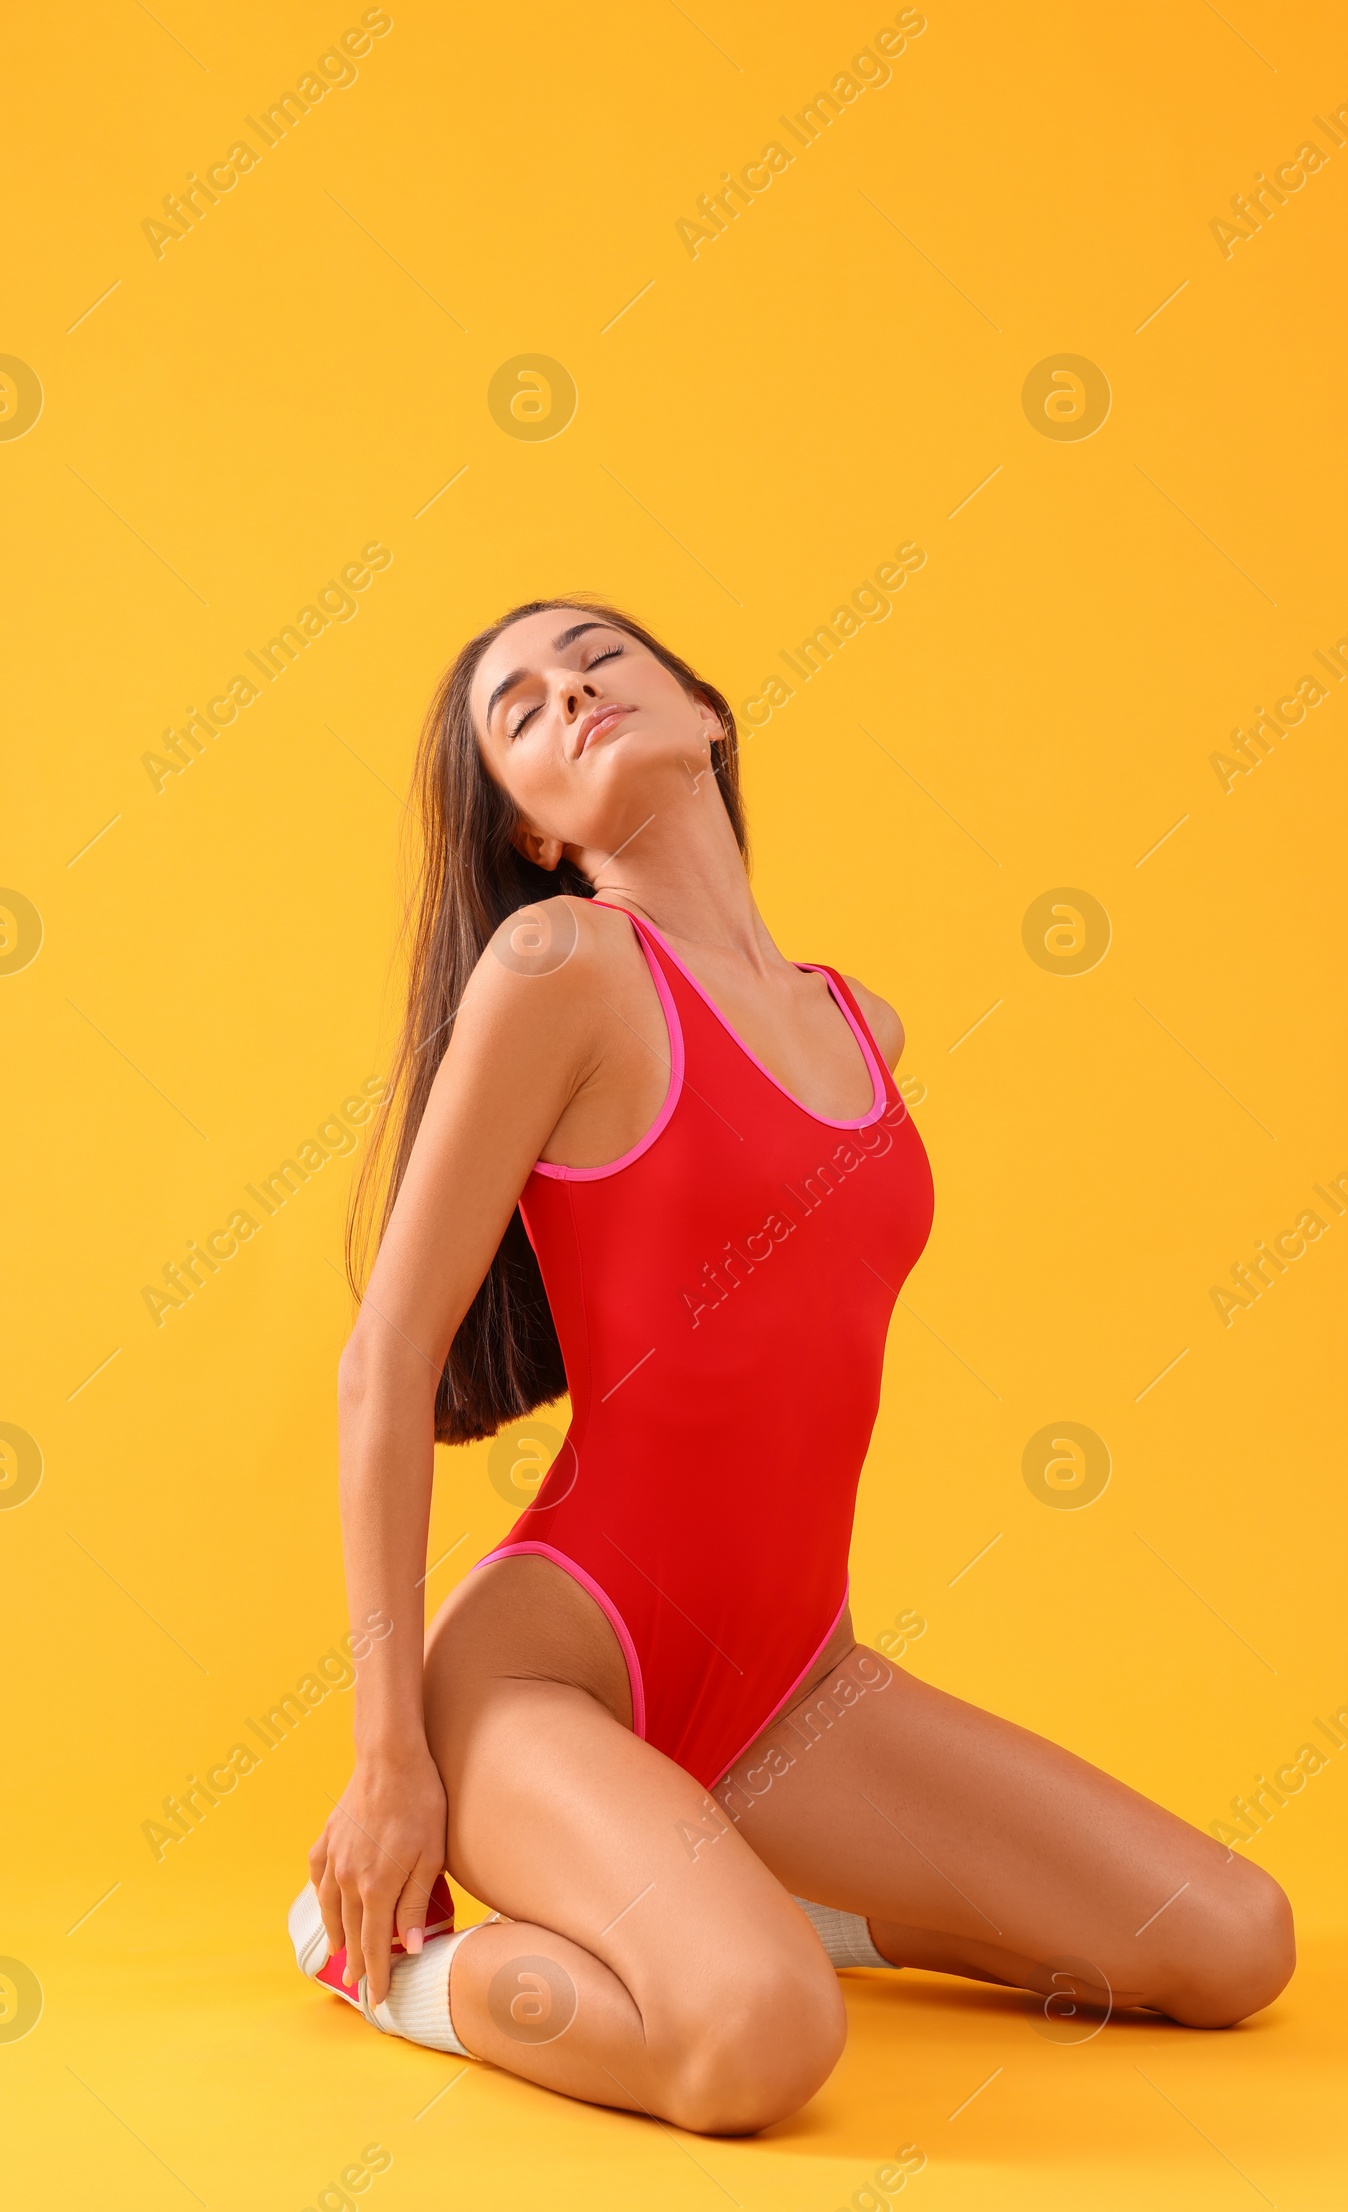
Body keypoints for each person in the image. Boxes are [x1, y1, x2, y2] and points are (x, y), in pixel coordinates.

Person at [289, 596, 1294, 2134]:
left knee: (1232, 1947)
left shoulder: (860, 1024)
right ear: (536, 836)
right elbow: (384, 1365)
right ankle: (394, 1970)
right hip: (555, 1677)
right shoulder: (561, 964)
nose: (570, 697)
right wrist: (387, 1763)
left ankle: (774, 1899)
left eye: (596, 662)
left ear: (705, 710)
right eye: (521, 715)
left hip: (792, 1690)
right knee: (759, 2046)